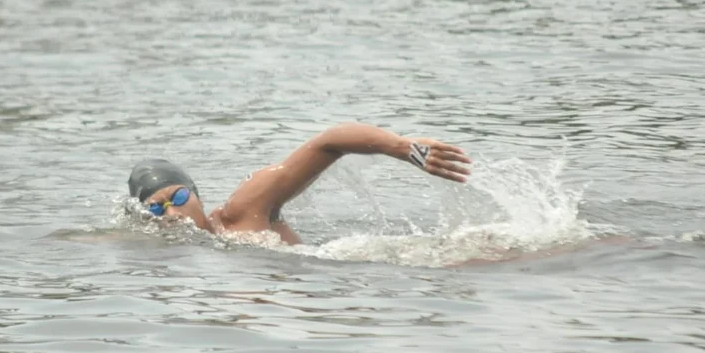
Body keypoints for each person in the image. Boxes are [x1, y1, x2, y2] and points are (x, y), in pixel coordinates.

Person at [127, 122, 473, 245]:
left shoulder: (243, 210)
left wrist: (398, 146)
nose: (171, 211)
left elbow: (329, 142)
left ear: (196, 195)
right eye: (156, 207)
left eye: (178, 196)